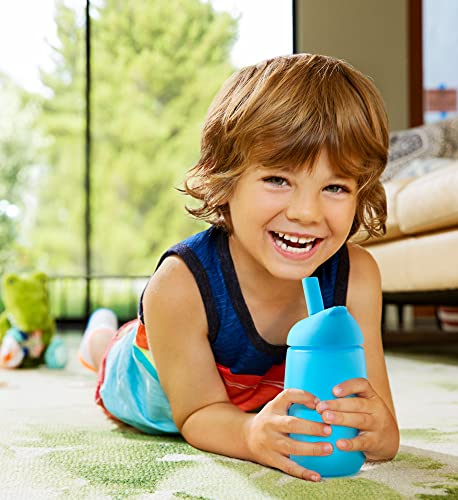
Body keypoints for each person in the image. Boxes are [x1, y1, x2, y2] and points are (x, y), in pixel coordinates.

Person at [78, 53, 400, 482]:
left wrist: (377, 431)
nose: (306, 212)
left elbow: (380, 417)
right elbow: (197, 414)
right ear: (225, 179)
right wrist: (250, 435)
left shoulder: (356, 277)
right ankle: (98, 335)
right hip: (154, 383)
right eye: (278, 180)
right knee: (107, 351)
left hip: (252, 398)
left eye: (335, 187)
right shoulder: (178, 287)